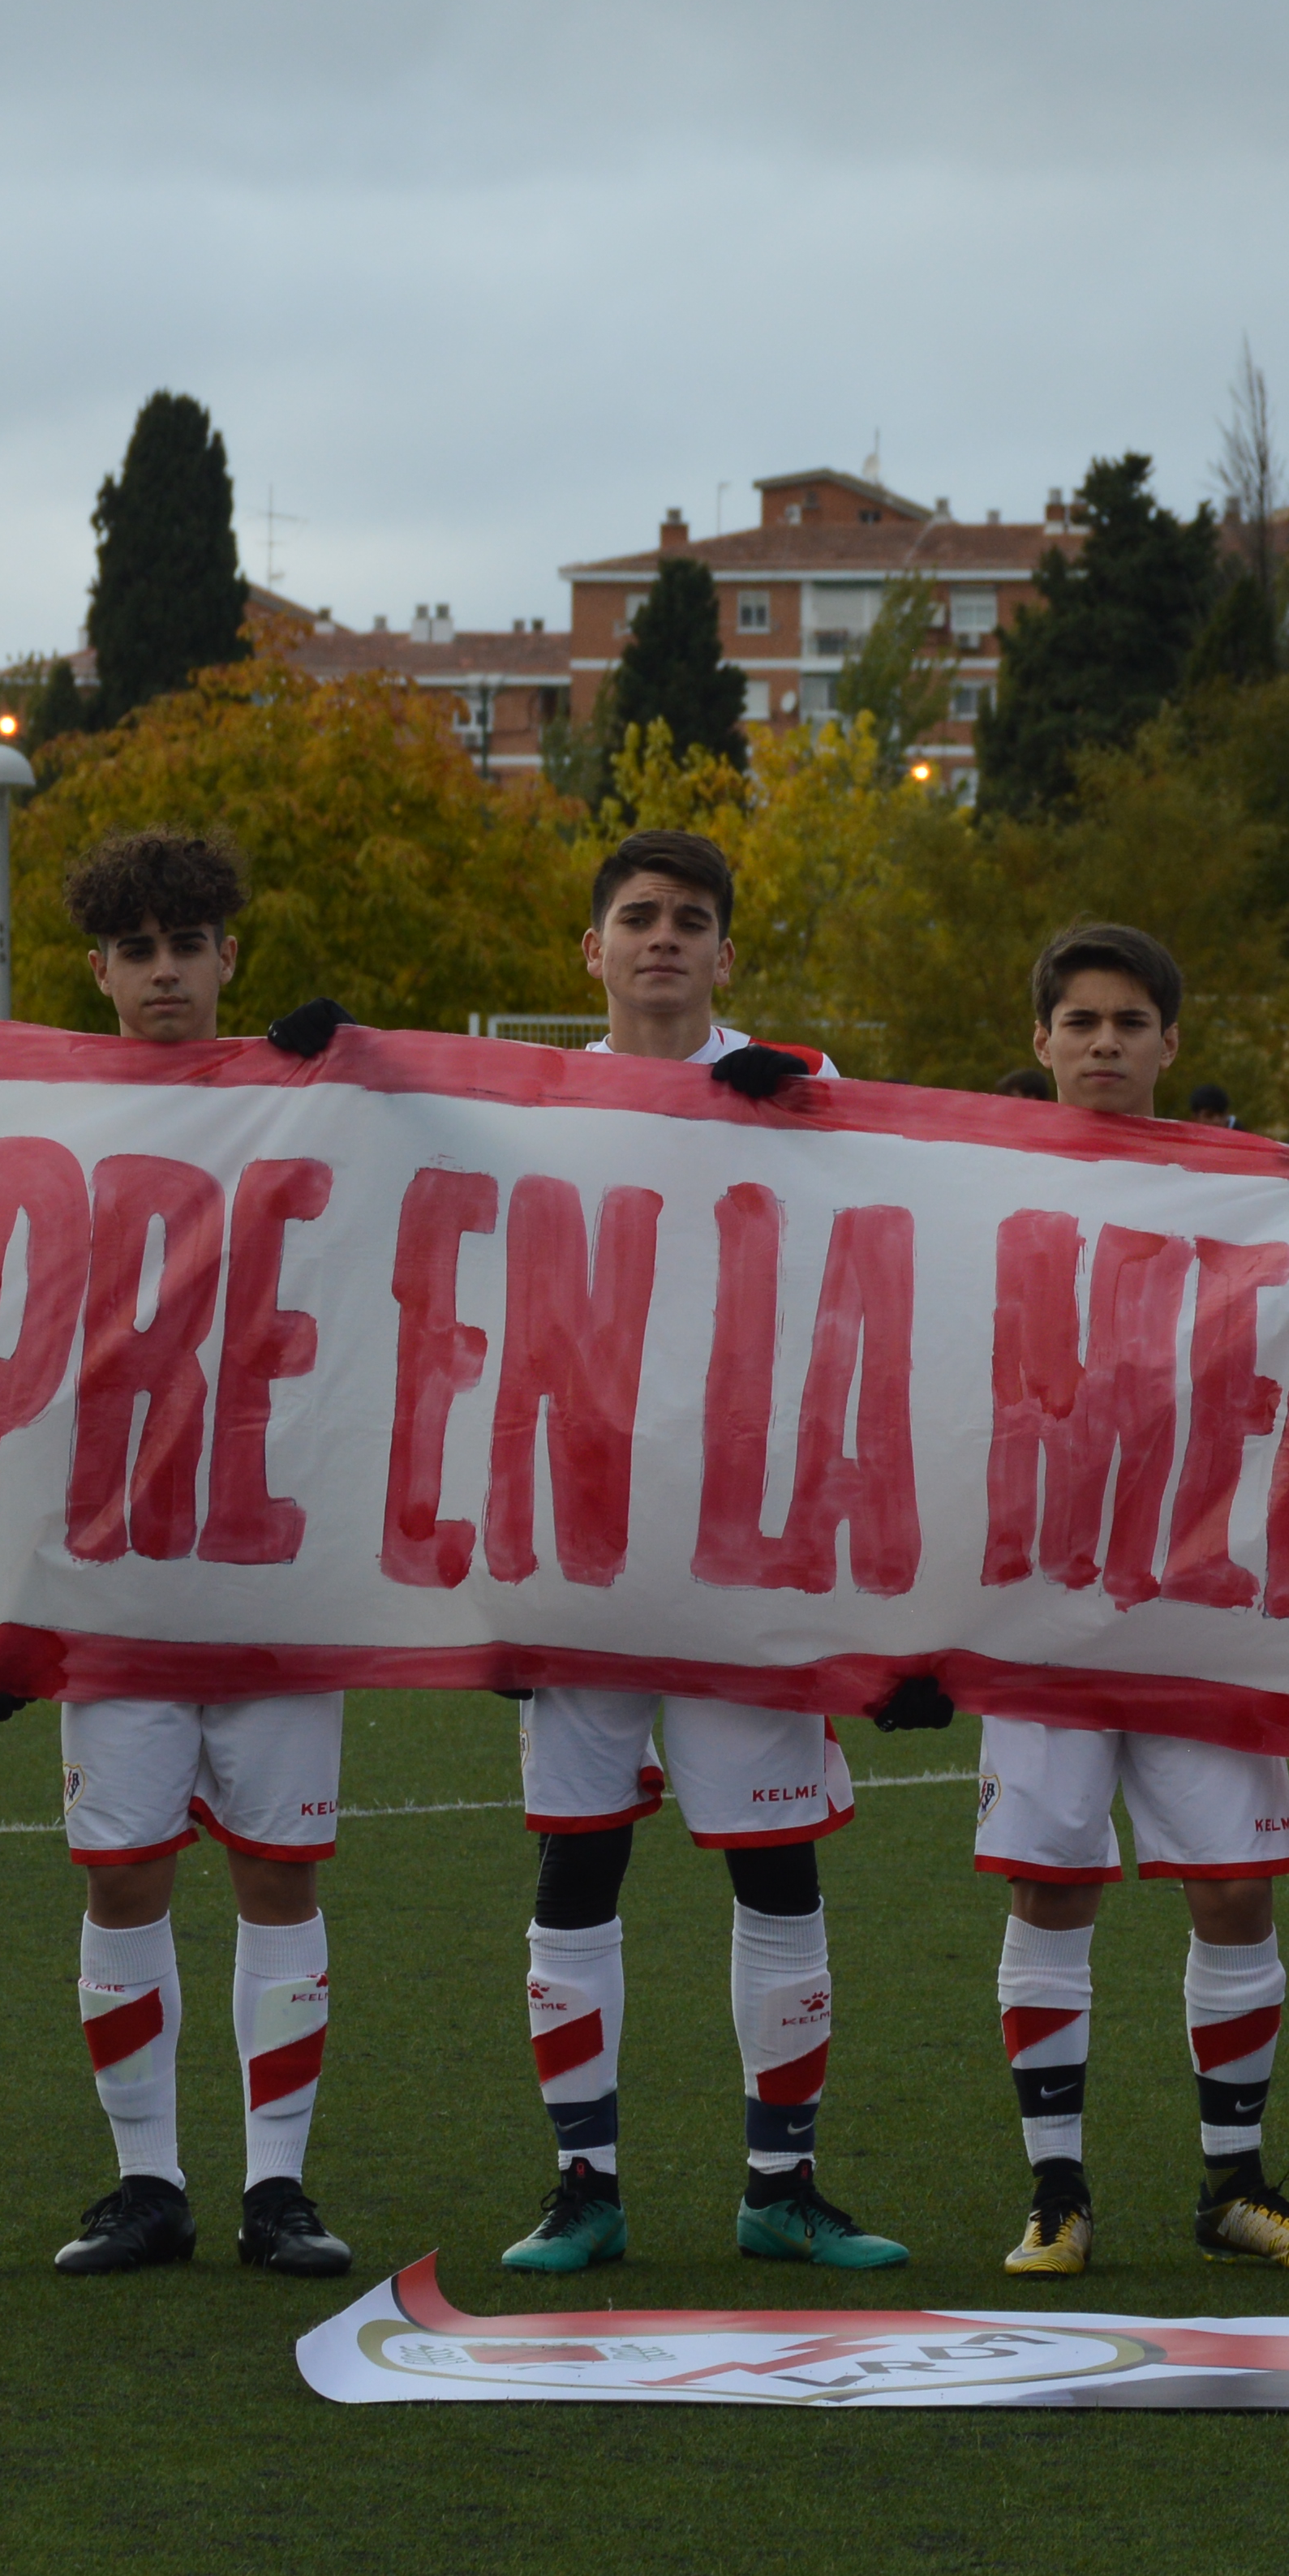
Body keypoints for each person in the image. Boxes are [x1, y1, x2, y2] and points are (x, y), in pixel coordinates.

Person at [500, 829, 906, 2274]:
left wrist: (797, 1117)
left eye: (688, 920)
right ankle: (583, 2187)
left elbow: (921, 1225)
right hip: (583, 1537)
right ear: (590, 952)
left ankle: (780, 2190)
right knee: (578, 1864)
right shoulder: (528, 1102)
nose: (660, 939)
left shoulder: (810, 1089)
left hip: (752, 1536)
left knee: (775, 1868)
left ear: (725, 952)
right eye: (635, 918)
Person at [980, 921, 1289, 2276]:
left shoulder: (1240, 1186)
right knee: (1051, 1889)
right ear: (1040, 1041)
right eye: (1076, 1021)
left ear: (1168, 1044)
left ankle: (1234, 2188)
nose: (1101, 1043)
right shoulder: (972, 1182)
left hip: (1202, 1593)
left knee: (1234, 1895)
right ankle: (1056, 2194)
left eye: (1126, 1023)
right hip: (1039, 1602)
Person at [40, 828, 354, 2282]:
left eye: (189, 945)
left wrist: (364, 1061)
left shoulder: (312, 1096)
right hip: (117, 1571)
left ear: (231, 953)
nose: (166, 973)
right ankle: (147, 2179)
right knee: (123, 1884)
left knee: (280, 1880)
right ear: (98, 970)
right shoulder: (43, 1114)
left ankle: (277, 2188)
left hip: (281, 1567)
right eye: (138, 950)